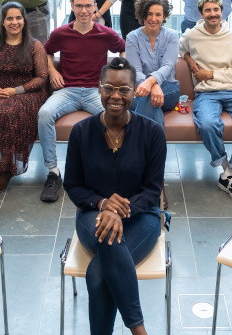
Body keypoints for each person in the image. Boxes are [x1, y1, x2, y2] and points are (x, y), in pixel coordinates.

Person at [64, 57, 166, 335]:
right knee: (108, 236)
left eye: (124, 90)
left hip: (142, 215)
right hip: (91, 214)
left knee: (99, 274)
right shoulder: (81, 132)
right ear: (99, 89)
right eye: (109, 88)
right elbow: (72, 185)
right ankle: (139, 330)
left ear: (135, 91)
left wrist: (119, 209)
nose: (116, 96)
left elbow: (153, 190)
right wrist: (102, 204)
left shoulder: (152, 133)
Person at [38, 0, 125, 202]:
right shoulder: (61, 33)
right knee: (44, 114)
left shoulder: (105, 34)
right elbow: (47, 51)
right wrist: (52, 71)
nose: (84, 10)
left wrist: (119, 70)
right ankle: (53, 172)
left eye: (88, 6)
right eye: (79, 6)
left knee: (117, 118)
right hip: (67, 91)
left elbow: (123, 47)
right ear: (72, 6)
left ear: (95, 7)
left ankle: (110, 171)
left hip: (95, 92)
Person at [179, 0, 232, 202]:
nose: (213, 13)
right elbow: (180, 49)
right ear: (201, 13)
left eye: (216, 9)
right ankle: (226, 170)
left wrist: (211, 73)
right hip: (206, 93)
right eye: (208, 10)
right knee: (207, 123)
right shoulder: (192, 35)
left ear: (222, 12)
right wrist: (189, 60)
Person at [0, 1, 49, 194]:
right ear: (3, 22)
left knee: (9, 112)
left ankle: (5, 169)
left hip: (27, 93)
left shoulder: (34, 45)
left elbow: (42, 77)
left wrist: (17, 90)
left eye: (18, 18)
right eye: (10, 18)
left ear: (24, 20)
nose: (15, 22)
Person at [125, 0, 180, 129]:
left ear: (164, 16)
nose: (153, 18)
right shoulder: (132, 37)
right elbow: (135, 70)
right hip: (141, 88)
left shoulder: (172, 36)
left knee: (146, 99)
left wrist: (150, 82)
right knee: (152, 106)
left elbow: (168, 66)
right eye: (149, 14)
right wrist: (153, 85)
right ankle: (157, 149)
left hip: (169, 88)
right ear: (142, 14)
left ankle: (134, 143)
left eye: (158, 15)